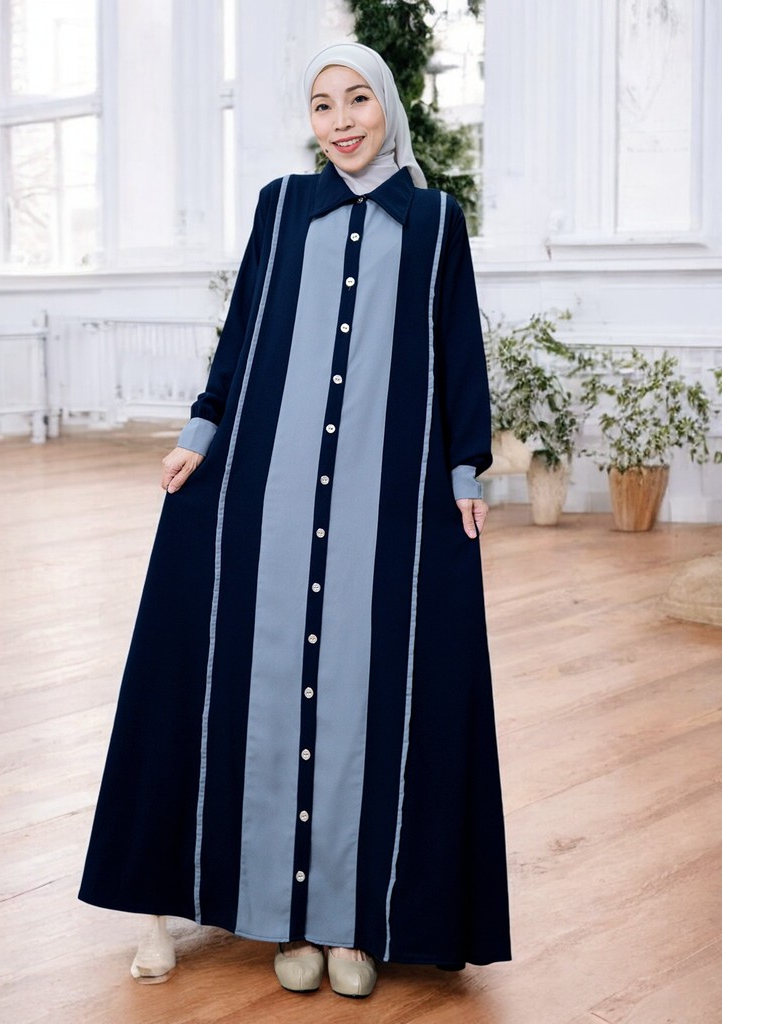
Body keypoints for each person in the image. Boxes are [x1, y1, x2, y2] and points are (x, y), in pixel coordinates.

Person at [79, 41, 512, 1000]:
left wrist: (464, 469)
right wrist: (201, 432)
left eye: (358, 99)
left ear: (388, 107)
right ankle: (282, 915)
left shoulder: (436, 222)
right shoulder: (281, 209)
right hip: (271, 487)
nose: (341, 120)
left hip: (384, 495)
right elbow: (242, 333)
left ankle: (352, 920)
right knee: (267, 681)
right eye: (323, 105)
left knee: (364, 689)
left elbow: (458, 349)